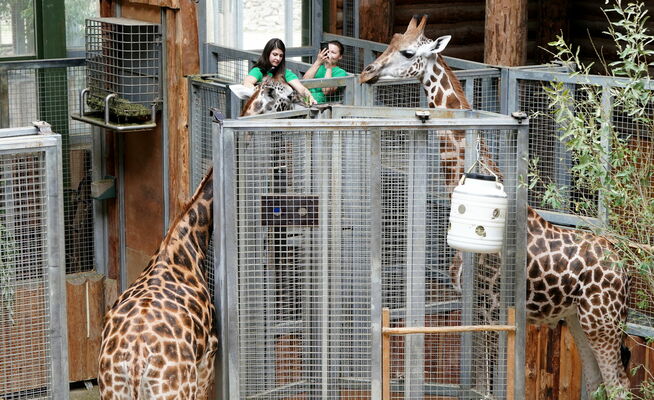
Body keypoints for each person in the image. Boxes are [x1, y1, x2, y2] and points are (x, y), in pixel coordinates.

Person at [243, 38, 317, 105]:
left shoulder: (285, 73)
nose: (278, 58)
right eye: (275, 54)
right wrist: (260, 95)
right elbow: (247, 82)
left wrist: (310, 98)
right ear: (267, 53)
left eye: (281, 56)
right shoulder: (258, 70)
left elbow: (301, 89)